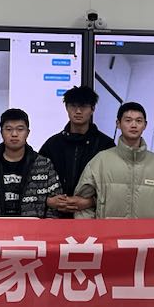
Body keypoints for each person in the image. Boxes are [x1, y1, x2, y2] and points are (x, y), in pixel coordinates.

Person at [74, 102, 154, 219]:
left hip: (147, 231)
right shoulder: (101, 161)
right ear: (118, 124)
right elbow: (82, 203)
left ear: (145, 125)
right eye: (128, 120)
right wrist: (92, 229)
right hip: (108, 231)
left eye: (139, 121)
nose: (133, 125)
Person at [0, 109, 62, 218]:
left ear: (27, 133)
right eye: (8, 129)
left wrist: (45, 226)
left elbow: (56, 203)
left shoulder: (44, 165)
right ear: (1, 132)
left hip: (34, 227)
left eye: (20, 129)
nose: (14, 134)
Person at [39, 85, 112, 217]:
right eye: (73, 106)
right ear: (66, 108)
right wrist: (48, 200)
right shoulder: (52, 144)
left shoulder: (105, 145)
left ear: (92, 109)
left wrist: (90, 201)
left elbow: (114, 186)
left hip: (92, 218)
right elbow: (37, 180)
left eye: (83, 106)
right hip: (55, 217)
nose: (78, 111)